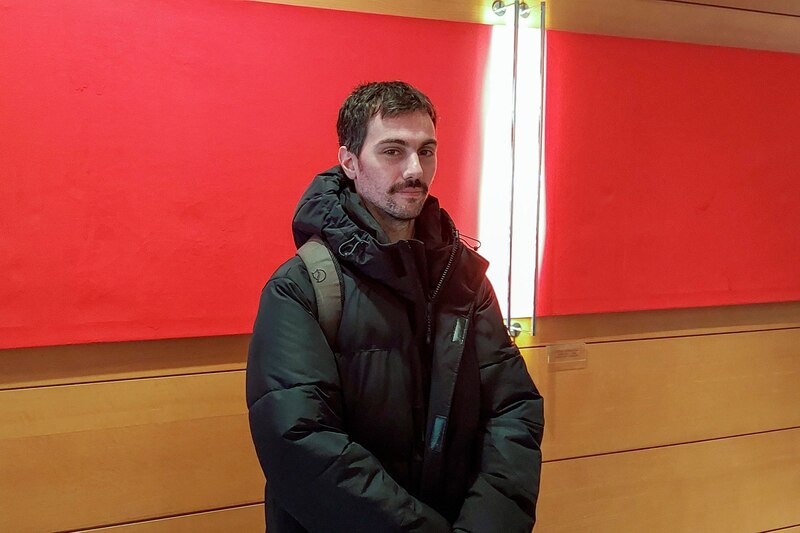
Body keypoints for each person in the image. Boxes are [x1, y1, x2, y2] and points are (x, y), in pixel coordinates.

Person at [246, 81, 544, 532]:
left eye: (427, 151)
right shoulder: (302, 287)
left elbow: (513, 411)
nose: (414, 169)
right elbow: (301, 444)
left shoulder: (463, 279)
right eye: (392, 151)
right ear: (349, 161)